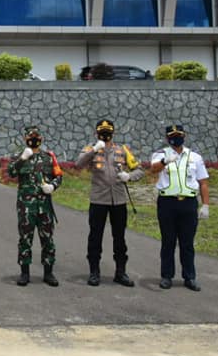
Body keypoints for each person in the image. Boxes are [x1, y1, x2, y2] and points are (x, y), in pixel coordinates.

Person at [76, 119, 144, 287]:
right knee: (95, 237)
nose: (105, 135)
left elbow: (139, 169)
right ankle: (94, 272)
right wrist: (94, 149)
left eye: (108, 132)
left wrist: (129, 176)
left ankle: (120, 272)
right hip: (99, 199)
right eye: (102, 132)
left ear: (113, 133)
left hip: (118, 200)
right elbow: (78, 164)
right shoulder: (90, 149)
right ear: (96, 133)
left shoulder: (122, 150)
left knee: (119, 238)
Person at [149, 124, 210, 292]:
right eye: (172, 135)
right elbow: (153, 170)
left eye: (179, 134)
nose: (176, 138)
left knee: (187, 243)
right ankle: (166, 276)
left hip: (188, 203)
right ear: (167, 138)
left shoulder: (195, 157)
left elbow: (203, 182)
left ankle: (189, 277)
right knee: (168, 241)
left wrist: (205, 204)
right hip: (167, 202)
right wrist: (164, 161)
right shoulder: (160, 154)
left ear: (184, 135)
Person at [8, 126, 63, 287]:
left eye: (36, 136)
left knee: (47, 239)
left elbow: (58, 176)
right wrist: (22, 159)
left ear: (41, 139)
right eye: (31, 136)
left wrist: (53, 186)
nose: (34, 139)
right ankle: (24, 273)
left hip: (44, 206)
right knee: (25, 239)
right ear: (25, 139)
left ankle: (48, 272)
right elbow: (10, 172)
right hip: (26, 207)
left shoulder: (48, 157)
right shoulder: (18, 157)